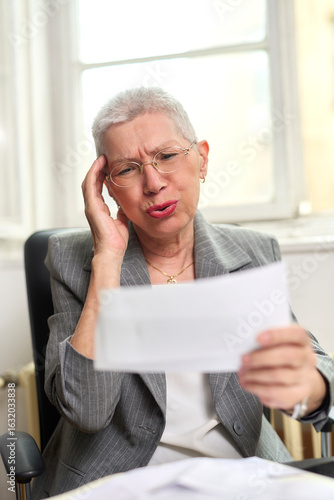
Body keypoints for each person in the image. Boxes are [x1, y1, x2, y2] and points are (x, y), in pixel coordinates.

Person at [33, 87, 334, 498]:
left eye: (168, 156)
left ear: (202, 159)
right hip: (119, 481)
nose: (154, 183)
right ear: (106, 187)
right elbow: (86, 410)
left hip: (236, 473)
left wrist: (313, 386)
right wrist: (108, 258)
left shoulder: (251, 252)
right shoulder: (71, 258)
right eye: (128, 169)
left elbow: (315, 367)